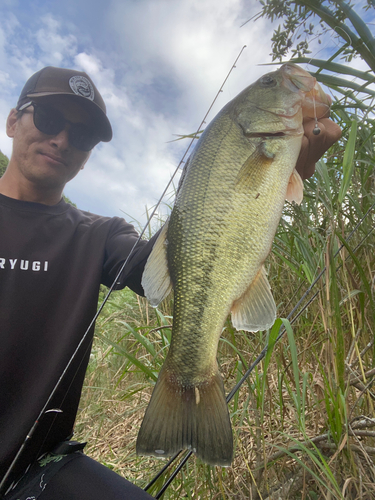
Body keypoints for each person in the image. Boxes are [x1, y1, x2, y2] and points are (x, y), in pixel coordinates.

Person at [0, 66, 341, 500]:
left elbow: (183, 258)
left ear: (87, 155)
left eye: (82, 136)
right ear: (13, 121)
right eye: (49, 119)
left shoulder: (100, 235)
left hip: (36, 468)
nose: (63, 140)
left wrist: (284, 175)